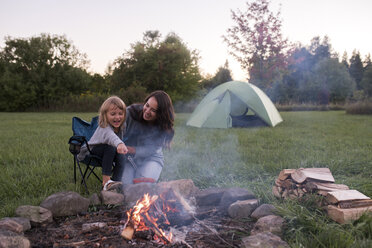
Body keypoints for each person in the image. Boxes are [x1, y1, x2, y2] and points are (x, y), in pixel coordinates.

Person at [121, 90, 175, 185]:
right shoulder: (130, 113)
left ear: (161, 114)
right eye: (147, 105)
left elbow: (151, 149)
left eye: (153, 110)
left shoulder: (161, 125)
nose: (147, 111)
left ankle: (148, 173)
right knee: (126, 186)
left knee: (143, 186)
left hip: (151, 158)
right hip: (127, 159)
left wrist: (133, 149)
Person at [78, 96, 128, 190]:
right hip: (90, 151)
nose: (117, 117)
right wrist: (119, 144)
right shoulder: (104, 126)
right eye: (113, 114)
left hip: (108, 154)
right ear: (105, 115)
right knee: (110, 147)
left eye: (120, 114)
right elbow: (111, 137)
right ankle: (106, 182)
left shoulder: (122, 126)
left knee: (121, 156)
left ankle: (116, 183)